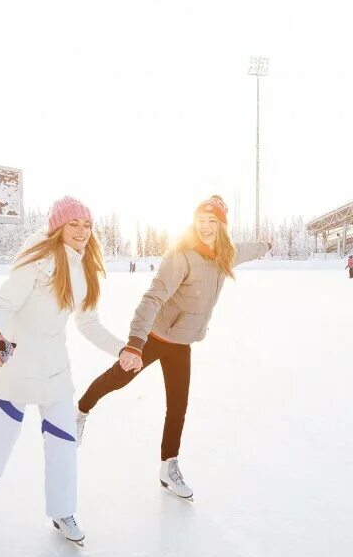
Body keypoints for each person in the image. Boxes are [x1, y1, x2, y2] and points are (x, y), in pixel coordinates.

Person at [75, 195, 270, 500]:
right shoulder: (182, 255)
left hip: (182, 344)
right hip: (155, 337)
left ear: (222, 226)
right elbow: (152, 298)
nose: (205, 227)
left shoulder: (225, 254)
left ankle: (168, 467)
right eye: (201, 220)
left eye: (212, 221)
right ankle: (81, 410)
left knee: (177, 407)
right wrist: (135, 345)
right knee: (118, 378)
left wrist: (266, 245)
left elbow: (248, 250)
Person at [0, 197, 128, 546]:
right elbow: (1, 303)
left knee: (62, 441)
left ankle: (62, 510)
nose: (82, 231)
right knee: (1, 432)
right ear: (57, 227)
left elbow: (88, 323)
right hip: (15, 364)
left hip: (55, 367)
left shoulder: (85, 268)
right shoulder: (35, 260)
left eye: (87, 225)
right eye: (74, 224)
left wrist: (121, 349)